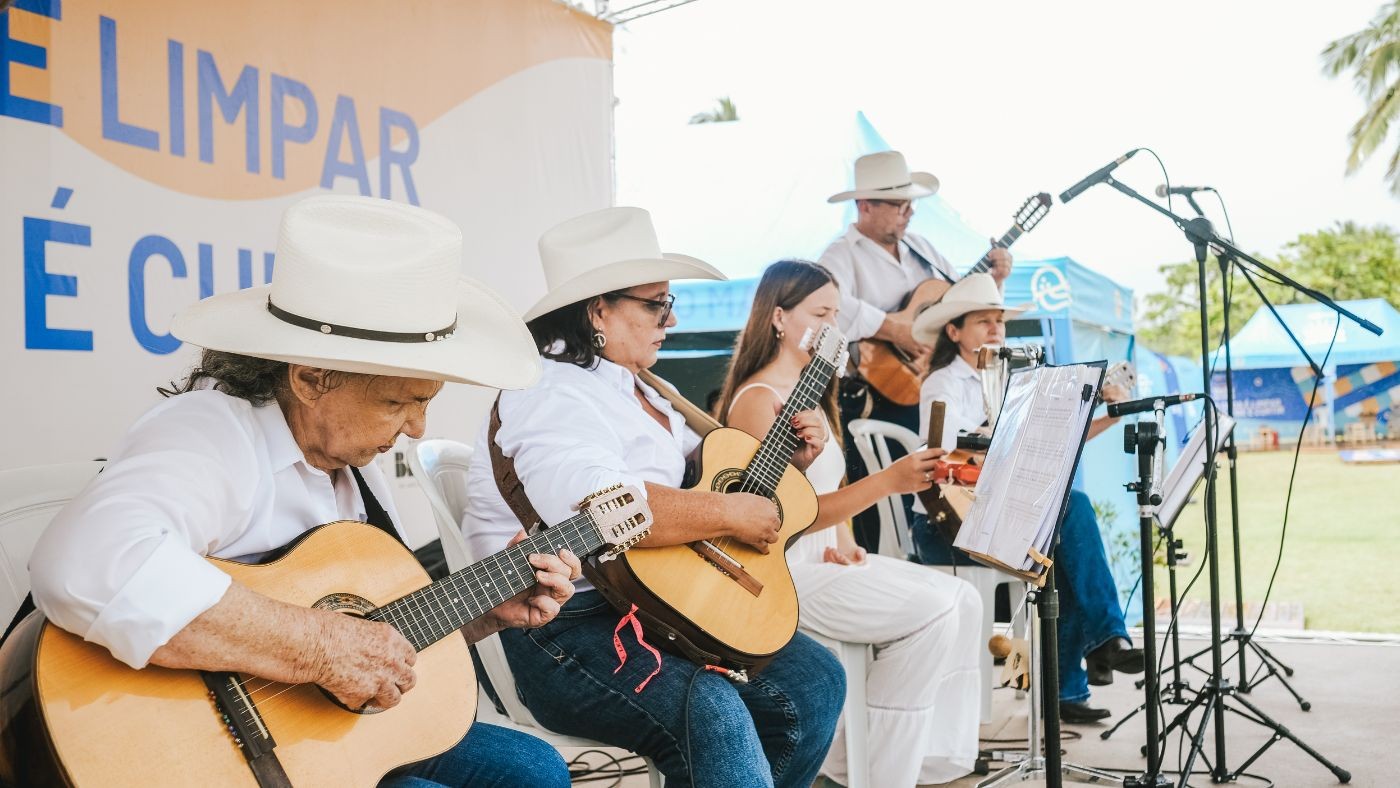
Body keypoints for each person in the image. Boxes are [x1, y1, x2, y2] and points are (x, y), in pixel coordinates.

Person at [27, 195, 579, 787]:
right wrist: (317, 647)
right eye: (398, 401)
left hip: (319, 737)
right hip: (190, 750)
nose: (417, 427)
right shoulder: (212, 431)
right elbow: (87, 562)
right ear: (312, 380)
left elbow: (376, 634)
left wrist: (479, 614)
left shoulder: (353, 465)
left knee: (534, 769)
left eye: (426, 401)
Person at [463, 207, 845, 788]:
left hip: (662, 598)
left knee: (817, 680)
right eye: (656, 304)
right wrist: (729, 511)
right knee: (709, 709)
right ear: (598, 310)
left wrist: (783, 467)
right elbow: (600, 508)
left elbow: (702, 475)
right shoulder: (548, 391)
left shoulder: (642, 385)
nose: (672, 318)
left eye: (671, 303)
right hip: (563, 624)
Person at [714, 260, 983, 787]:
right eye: (820, 313)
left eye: (837, 315)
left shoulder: (809, 391)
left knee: (967, 599)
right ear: (778, 317)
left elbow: (824, 488)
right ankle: (877, 766)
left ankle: (916, 754)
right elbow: (779, 515)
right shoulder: (759, 400)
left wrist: (844, 541)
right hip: (781, 574)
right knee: (934, 609)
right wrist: (888, 481)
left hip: (822, 559)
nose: (832, 326)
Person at [909, 273, 1146, 724]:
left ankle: (1082, 669)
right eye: (983, 321)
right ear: (954, 331)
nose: (995, 329)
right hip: (948, 524)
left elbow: (1055, 442)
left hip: (1000, 516)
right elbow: (950, 455)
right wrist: (1008, 432)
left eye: (999, 321)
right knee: (1070, 513)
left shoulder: (1015, 380)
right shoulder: (942, 384)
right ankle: (1094, 654)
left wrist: (1108, 414)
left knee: (1063, 532)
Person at [817, 150, 1013, 550]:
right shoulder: (840, 255)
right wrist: (895, 330)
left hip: (926, 387)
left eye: (910, 205)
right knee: (880, 508)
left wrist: (995, 282)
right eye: (899, 205)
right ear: (865, 205)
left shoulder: (923, 248)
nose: (908, 213)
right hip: (875, 395)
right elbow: (831, 305)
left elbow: (963, 306)